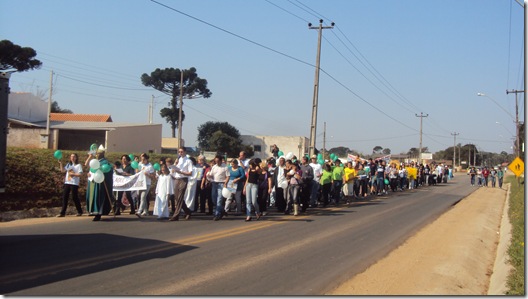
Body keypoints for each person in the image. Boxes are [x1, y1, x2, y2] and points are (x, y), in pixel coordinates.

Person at [85, 146, 113, 221]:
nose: (97, 155)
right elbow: (91, 170)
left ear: (102, 154)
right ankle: (93, 211)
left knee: (99, 197)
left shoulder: (105, 162)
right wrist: (89, 173)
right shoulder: (95, 161)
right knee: (92, 197)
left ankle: (98, 213)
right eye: (96, 153)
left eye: (98, 153)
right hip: (93, 182)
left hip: (100, 183)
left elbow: (108, 170)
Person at [169, 147, 194, 221]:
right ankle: (188, 211)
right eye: (179, 152)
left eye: (182, 152)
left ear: (185, 152)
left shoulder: (188, 161)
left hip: (183, 179)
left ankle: (176, 215)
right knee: (177, 197)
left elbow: (190, 173)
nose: (180, 153)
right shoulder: (178, 160)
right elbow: (174, 169)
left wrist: (181, 172)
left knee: (180, 197)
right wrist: (174, 166)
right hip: (177, 179)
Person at [57, 153, 83, 217]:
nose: (72, 158)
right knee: (65, 197)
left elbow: (80, 174)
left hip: (74, 183)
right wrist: (60, 163)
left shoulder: (78, 165)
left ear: (76, 158)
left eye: (74, 157)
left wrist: (73, 174)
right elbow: (62, 171)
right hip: (67, 182)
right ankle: (62, 213)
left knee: (74, 197)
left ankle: (79, 211)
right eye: (71, 156)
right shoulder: (69, 165)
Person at [208, 155, 229, 221]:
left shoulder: (225, 167)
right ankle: (222, 210)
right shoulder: (214, 166)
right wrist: (209, 175)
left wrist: (225, 183)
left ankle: (217, 214)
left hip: (221, 183)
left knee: (219, 199)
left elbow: (228, 176)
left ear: (220, 160)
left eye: (218, 161)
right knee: (214, 199)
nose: (216, 162)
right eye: (215, 161)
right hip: (214, 183)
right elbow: (211, 175)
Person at [135, 153, 156, 217]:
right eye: (141, 159)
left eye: (144, 159)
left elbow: (153, 176)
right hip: (140, 183)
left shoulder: (150, 166)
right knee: (141, 197)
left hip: (147, 184)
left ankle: (139, 211)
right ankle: (146, 211)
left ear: (147, 159)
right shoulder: (140, 164)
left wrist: (148, 175)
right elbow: (136, 171)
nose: (142, 160)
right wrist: (137, 168)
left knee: (143, 197)